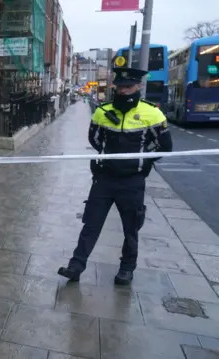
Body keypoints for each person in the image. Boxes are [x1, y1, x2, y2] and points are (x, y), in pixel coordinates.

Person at [58, 67, 173, 285]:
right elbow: (95, 139)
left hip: (132, 181)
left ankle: (127, 269)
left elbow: (164, 147)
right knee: (90, 224)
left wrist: (140, 161)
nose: (123, 92)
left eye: (128, 87)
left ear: (138, 86)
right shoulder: (102, 112)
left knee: (131, 228)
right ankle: (76, 266)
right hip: (104, 179)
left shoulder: (152, 114)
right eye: (119, 87)